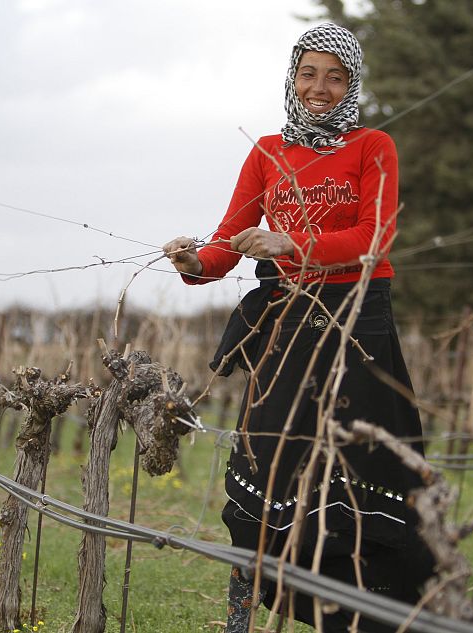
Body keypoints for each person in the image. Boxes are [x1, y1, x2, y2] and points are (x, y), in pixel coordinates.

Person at [163, 22, 433, 633]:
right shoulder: (266, 150)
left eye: (335, 77)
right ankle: (265, 604)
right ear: (292, 79)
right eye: (309, 74)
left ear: (352, 83)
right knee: (274, 466)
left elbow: (376, 236)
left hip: (357, 321)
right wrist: (195, 261)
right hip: (285, 326)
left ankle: (370, 614)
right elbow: (230, 240)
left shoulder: (373, 146)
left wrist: (294, 242)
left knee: (359, 465)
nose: (321, 87)